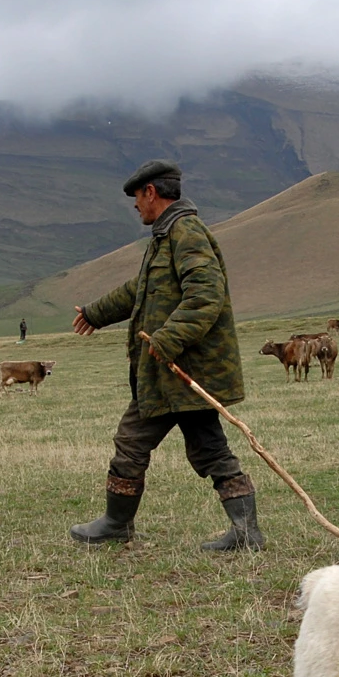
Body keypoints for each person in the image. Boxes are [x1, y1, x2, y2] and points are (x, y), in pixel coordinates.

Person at [68, 159, 262, 551]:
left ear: (151, 192)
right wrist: (95, 313)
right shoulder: (168, 235)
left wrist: (166, 339)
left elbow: (207, 294)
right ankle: (245, 533)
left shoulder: (185, 233)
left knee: (132, 441)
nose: (136, 206)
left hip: (179, 371)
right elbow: (139, 289)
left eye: (137, 198)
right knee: (210, 450)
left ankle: (117, 525)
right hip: (175, 372)